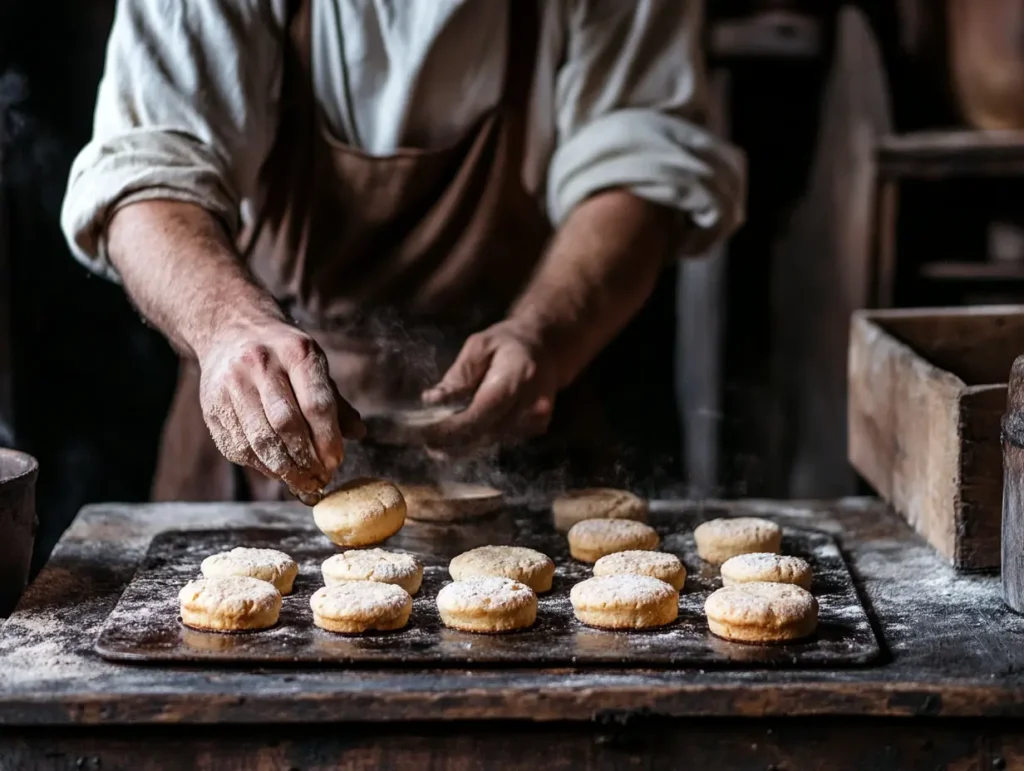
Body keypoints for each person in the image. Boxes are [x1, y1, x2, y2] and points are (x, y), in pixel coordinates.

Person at [61, 0, 745, 503]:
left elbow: (639, 162)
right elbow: (146, 175)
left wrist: (546, 332)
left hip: (523, 429)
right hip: (256, 452)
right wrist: (228, 328)